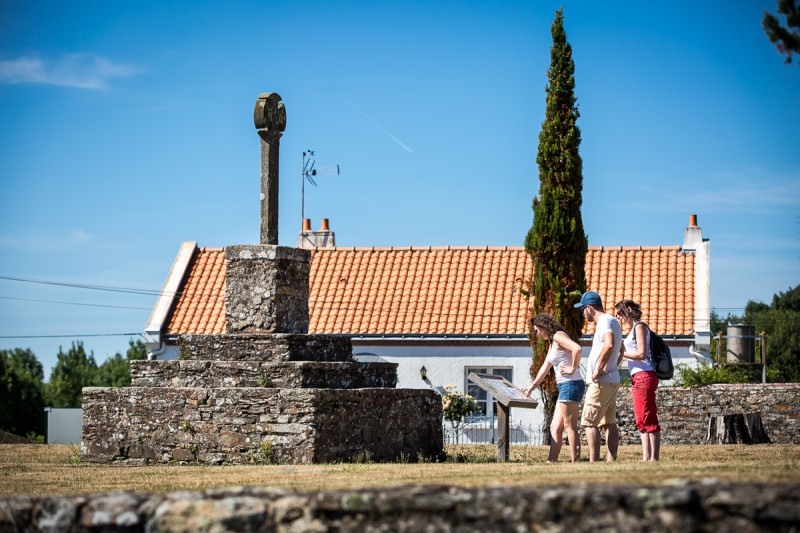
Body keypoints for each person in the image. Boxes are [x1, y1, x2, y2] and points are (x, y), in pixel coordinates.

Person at [522, 313, 585, 462]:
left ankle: (576, 461)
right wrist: (533, 386)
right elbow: (546, 366)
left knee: (570, 426)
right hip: (565, 386)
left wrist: (572, 368)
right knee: (555, 427)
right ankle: (551, 461)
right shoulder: (552, 341)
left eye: (537, 330)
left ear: (544, 326)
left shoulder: (558, 336)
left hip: (571, 384)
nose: (537, 334)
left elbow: (577, 349)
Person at [575, 291, 622, 462]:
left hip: (601, 381)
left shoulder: (603, 322)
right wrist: (612, 368)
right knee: (609, 422)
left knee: (589, 422)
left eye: (583, 310)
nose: (583, 314)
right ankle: (611, 460)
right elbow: (621, 349)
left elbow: (609, 344)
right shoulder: (613, 321)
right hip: (610, 379)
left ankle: (593, 462)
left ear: (589, 308)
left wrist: (599, 369)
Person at [615, 299, 661, 461]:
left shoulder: (640, 327)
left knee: (648, 416)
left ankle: (653, 458)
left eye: (620, 314)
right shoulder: (632, 330)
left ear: (628, 310)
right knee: (641, 418)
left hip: (645, 374)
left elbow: (641, 354)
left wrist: (620, 353)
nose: (619, 318)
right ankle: (646, 457)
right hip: (637, 376)